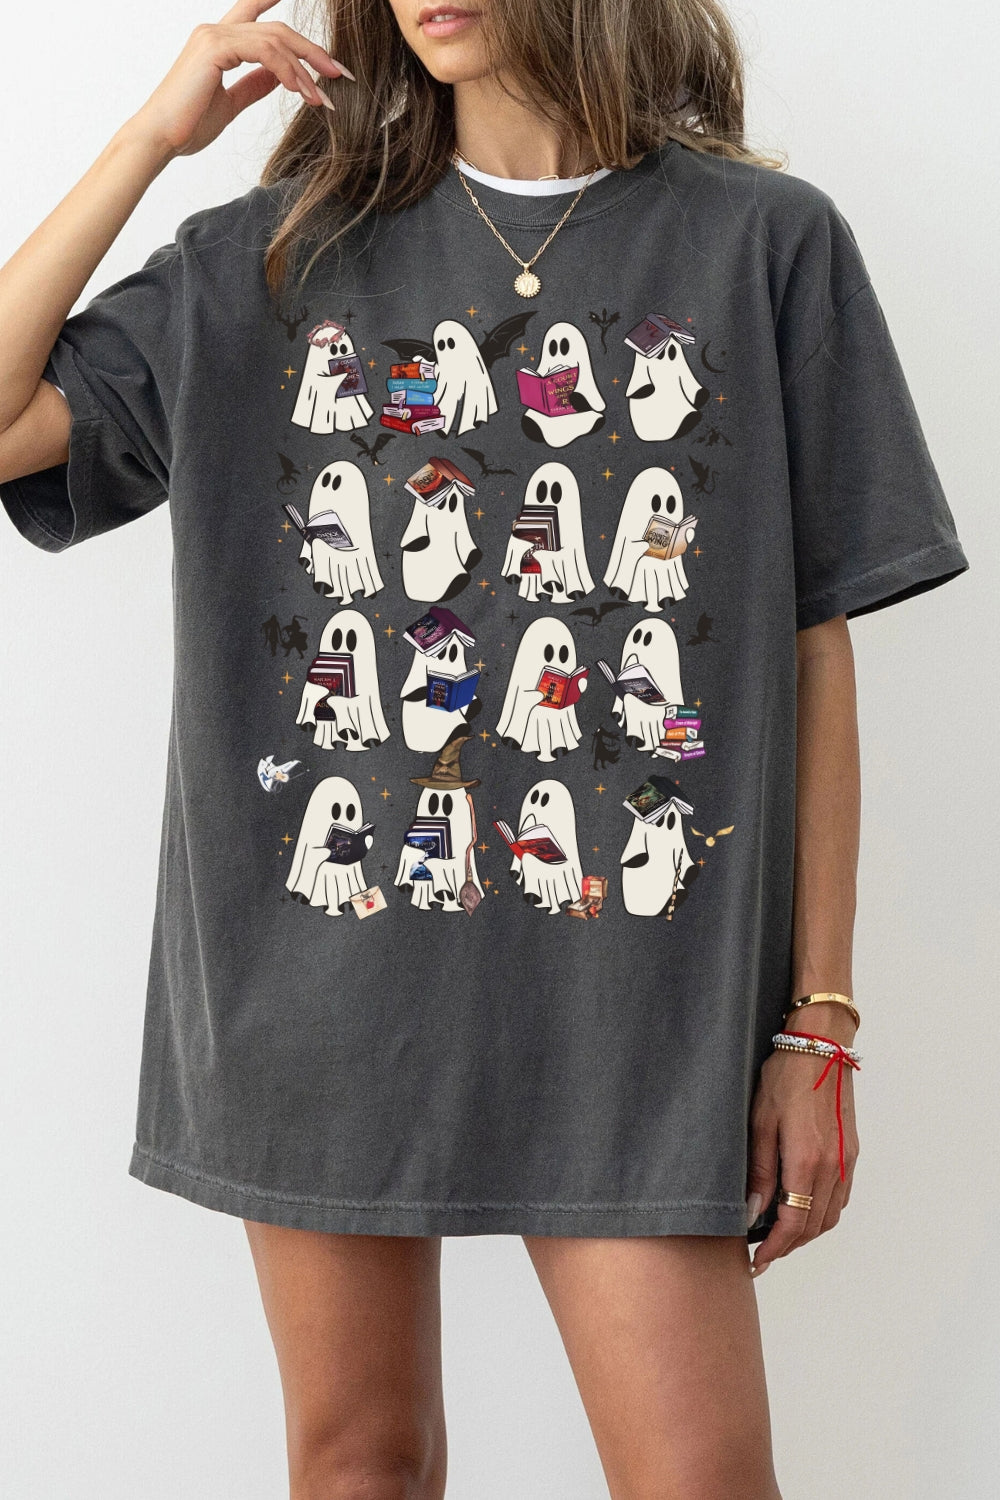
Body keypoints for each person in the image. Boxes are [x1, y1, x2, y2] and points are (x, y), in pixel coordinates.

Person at [0, 1, 971, 1496]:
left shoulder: (761, 243)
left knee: (700, 1478)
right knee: (359, 1465)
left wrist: (819, 1020)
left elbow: (811, 644)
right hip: (322, 993)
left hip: (636, 1014)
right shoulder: (273, 254)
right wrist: (149, 139)